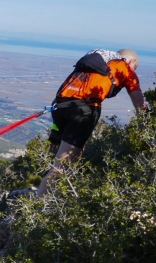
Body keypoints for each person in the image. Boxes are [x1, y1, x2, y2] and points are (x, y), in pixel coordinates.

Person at [37, 49, 149, 197]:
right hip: (84, 111)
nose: (133, 70)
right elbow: (140, 104)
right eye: (135, 68)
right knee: (61, 166)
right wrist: (147, 125)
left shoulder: (96, 62)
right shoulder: (125, 68)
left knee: (74, 153)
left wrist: (55, 133)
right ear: (132, 61)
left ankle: (65, 190)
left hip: (59, 106)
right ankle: (41, 202)